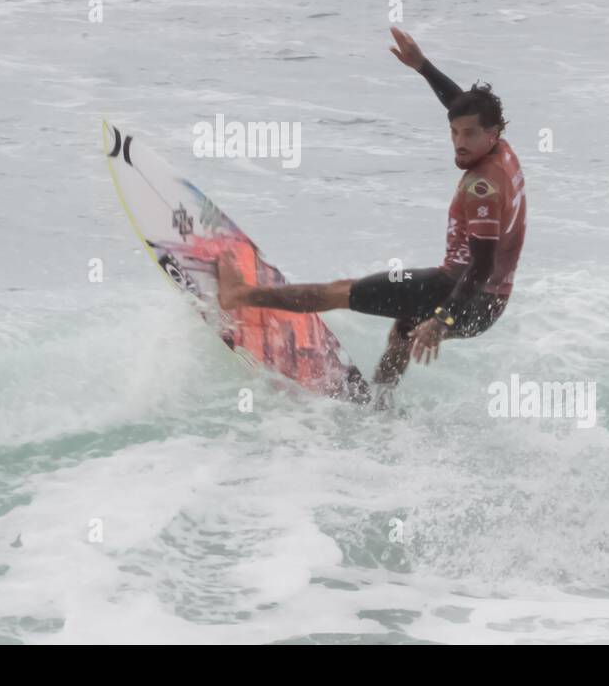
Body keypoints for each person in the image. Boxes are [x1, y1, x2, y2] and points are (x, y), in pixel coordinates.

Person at [217, 27, 526, 405]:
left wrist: (443, 319)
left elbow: (481, 265)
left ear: (492, 133)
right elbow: (461, 105)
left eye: (469, 135)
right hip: (489, 304)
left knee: (340, 291)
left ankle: (239, 295)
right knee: (404, 327)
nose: (460, 142)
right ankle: (380, 401)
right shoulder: (501, 148)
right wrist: (422, 66)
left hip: (465, 292)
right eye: (454, 132)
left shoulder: (483, 187)